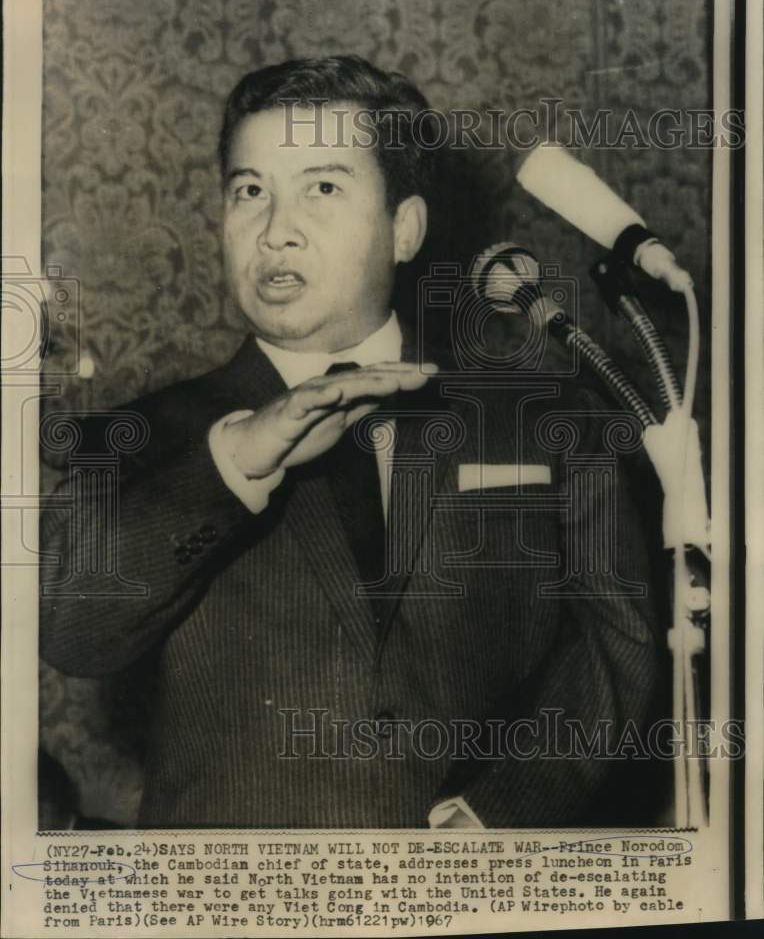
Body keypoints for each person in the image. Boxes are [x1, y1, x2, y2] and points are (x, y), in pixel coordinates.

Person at [40, 55, 662, 829]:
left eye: (323, 189)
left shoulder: (548, 421)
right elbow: (69, 629)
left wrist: (497, 812)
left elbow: (617, 642)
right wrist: (236, 462)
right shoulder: (141, 435)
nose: (276, 231)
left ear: (405, 228)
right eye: (250, 191)